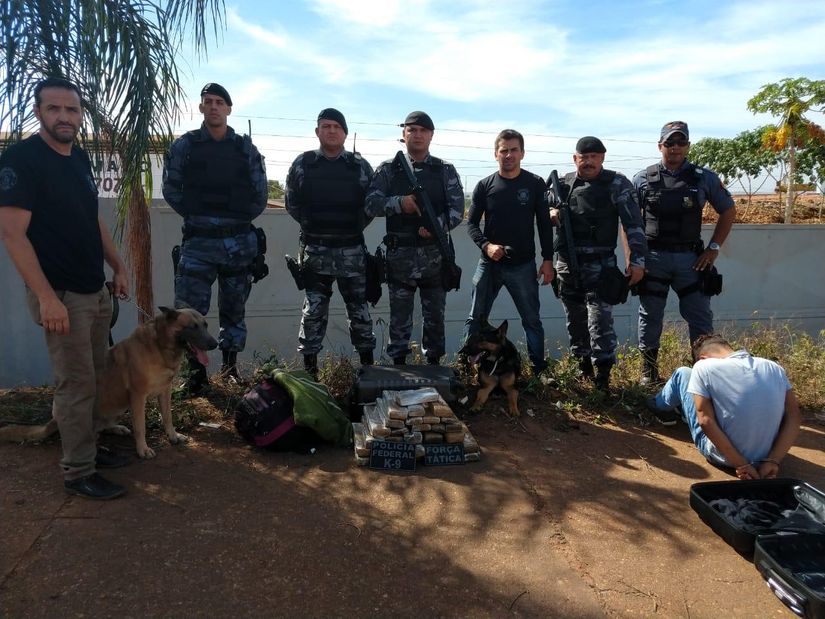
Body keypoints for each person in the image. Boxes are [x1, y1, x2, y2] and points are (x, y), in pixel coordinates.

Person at [0, 77, 131, 499]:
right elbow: (12, 234)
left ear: (80, 116)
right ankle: (78, 472)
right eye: (54, 108)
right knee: (75, 385)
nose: (64, 117)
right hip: (61, 296)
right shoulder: (21, 160)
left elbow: (91, 219)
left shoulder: (79, 159)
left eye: (71, 110)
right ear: (38, 112)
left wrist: (117, 266)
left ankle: (90, 447)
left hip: (94, 289)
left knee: (94, 376)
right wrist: (46, 297)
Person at [162, 83, 268, 391]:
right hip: (199, 243)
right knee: (190, 312)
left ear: (228, 109)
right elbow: (171, 189)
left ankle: (230, 370)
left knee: (234, 308)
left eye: (219, 102)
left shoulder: (245, 148)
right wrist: (196, 215)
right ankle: (196, 376)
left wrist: (237, 219)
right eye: (207, 102)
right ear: (200, 108)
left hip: (238, 242)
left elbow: (260, 193)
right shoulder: (186, 145)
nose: (213, 107)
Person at [633, 121, 736, 385]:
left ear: (688, 146)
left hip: (691, 261)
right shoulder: (643, 178)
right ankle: (649, 374)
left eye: (681, 142)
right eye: (670, 142)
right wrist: (635, 258)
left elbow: (728, 210)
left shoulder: (704, 177)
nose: (675, 147)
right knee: (650, 316)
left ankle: (704, 375)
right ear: (660, 146)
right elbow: (630, 221)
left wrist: (713, 249)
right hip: (653, 258)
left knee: (700, 317)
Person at [365, 111, 464, 365]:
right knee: (399, 319)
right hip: (400, 259)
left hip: (435, 257)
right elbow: (371, 204)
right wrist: (400, 204)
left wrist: (436, 227)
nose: (417, 135)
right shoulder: (388, 169)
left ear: (431, 135)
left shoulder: (444, 170)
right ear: (403, 134)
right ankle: (399, 370)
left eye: (422, 130)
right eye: (412, 130)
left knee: (435, 319)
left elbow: (456, 211)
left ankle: (434, 368)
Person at [285, 108, 376, 377]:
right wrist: (316, 227)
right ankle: (310, 374)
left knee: (359, 312)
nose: (332, 131)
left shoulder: (359, 167)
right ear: (317, 132)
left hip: (352, 251)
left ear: (345, 133)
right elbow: (293, 204)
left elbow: (369, 207)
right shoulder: (303, 164)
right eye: (326, 126)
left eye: (337, 126)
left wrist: (350, 228)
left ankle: (368, 372)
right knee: (313, 312)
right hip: (316, 250)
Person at [553, 137, 647, 390]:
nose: (589, 161)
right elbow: (541, 213)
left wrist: (637, 261)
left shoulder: (616, 183)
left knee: (600, 322)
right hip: (568, 266)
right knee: (575, 321)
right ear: (575, 159)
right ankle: (582, 371)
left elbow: (634, 224)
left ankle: (603, 378)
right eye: (583, 157)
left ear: (602, 158)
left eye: (594, 156)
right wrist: (550, 212)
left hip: (601, 265)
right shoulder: (561, 184)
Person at [646, 334, 800, 479]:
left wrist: (742, 464)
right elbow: (794, 417)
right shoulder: (773, 367)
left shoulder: (703, 367)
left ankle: (658, 406)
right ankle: (678, 409)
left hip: (724, 458)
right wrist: (773, 460)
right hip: (767, 458)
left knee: (683, 372)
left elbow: (705, 421)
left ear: (702, 358)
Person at [464, 129, 554, 374]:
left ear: (522, 153)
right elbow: (471, 224)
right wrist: (486, 245)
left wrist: (548, 260)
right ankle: (465, 370)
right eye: (504, 150)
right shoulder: (485, 186)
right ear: (496, 154)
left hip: (523, 266)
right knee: (475, 319)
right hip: (489, 264)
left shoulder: (534, 184)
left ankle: (539, 373)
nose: (509, 155)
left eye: (514, 150)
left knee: (532, 321)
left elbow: (545, 225)